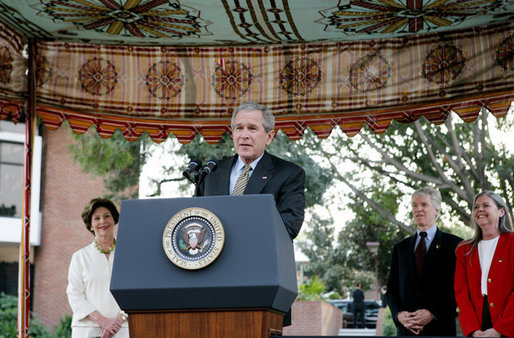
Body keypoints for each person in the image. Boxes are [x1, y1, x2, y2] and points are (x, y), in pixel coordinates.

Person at [196, 101, 306, 240]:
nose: (244, 135)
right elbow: (196, 218)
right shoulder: (211, 172)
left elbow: (289, 227)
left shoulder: (289, 174)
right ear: (232, 134)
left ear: (269, 137)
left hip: (258, 256)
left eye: (252, 128)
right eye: (239, 128)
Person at [385, 187, 462, 336]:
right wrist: (399, 315)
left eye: (424, 205)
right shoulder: (400, 248)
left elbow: (459, 288)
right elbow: (391, 289)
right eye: (415, 205)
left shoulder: (456, 245)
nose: (418, 209)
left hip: (440, 330)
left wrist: (433, 312)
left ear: (437, 210)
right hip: (406, 330)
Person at [66, 198, 129, 338]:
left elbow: (134, 291)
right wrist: (103, 321)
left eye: (107, 216)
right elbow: (74, 295)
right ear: (90, 225)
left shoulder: (128, 255)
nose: (102, 221)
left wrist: (117, 322)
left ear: (114, 219)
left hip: (122, 329)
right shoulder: (79, 257)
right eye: (97, 218)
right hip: (87, 329)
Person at [454, 191, 514, 337]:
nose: (479, 209)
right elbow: (461, 293)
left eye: (486, 205)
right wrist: (473, 330)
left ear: (501, 212)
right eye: (476, 207)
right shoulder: (464, 249)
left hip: (509, 323)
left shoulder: (512, 242)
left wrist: (500, 329)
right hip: (477, 325)